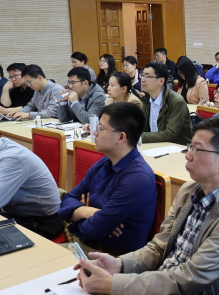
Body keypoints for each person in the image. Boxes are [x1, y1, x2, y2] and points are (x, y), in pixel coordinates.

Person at [74, 117, 219, 295]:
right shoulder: (188, 191)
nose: (188, 155)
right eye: (190, 147)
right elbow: (159, 247)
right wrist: (119, 264)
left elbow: (189, 278)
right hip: (160, 289)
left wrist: (112, 284)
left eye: (197, 149)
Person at [59, 103, 156, 255]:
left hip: (110, 257)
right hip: (83, 245)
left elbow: (95, 229)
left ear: (121, 137)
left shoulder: (137, 178)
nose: (95, 132)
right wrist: (88, 212)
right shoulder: (104, 162)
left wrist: (76, 217)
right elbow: (66, 201)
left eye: (101, 128)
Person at [140, 62, 192, 145]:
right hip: (154, 145)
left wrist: (137, 137)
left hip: (176, 147)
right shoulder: (146, 99)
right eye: (142, 75)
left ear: (161, 81)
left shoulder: (176, 101)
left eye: (147, 76)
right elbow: (142, 126)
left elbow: (169, 134)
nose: (142, 79)